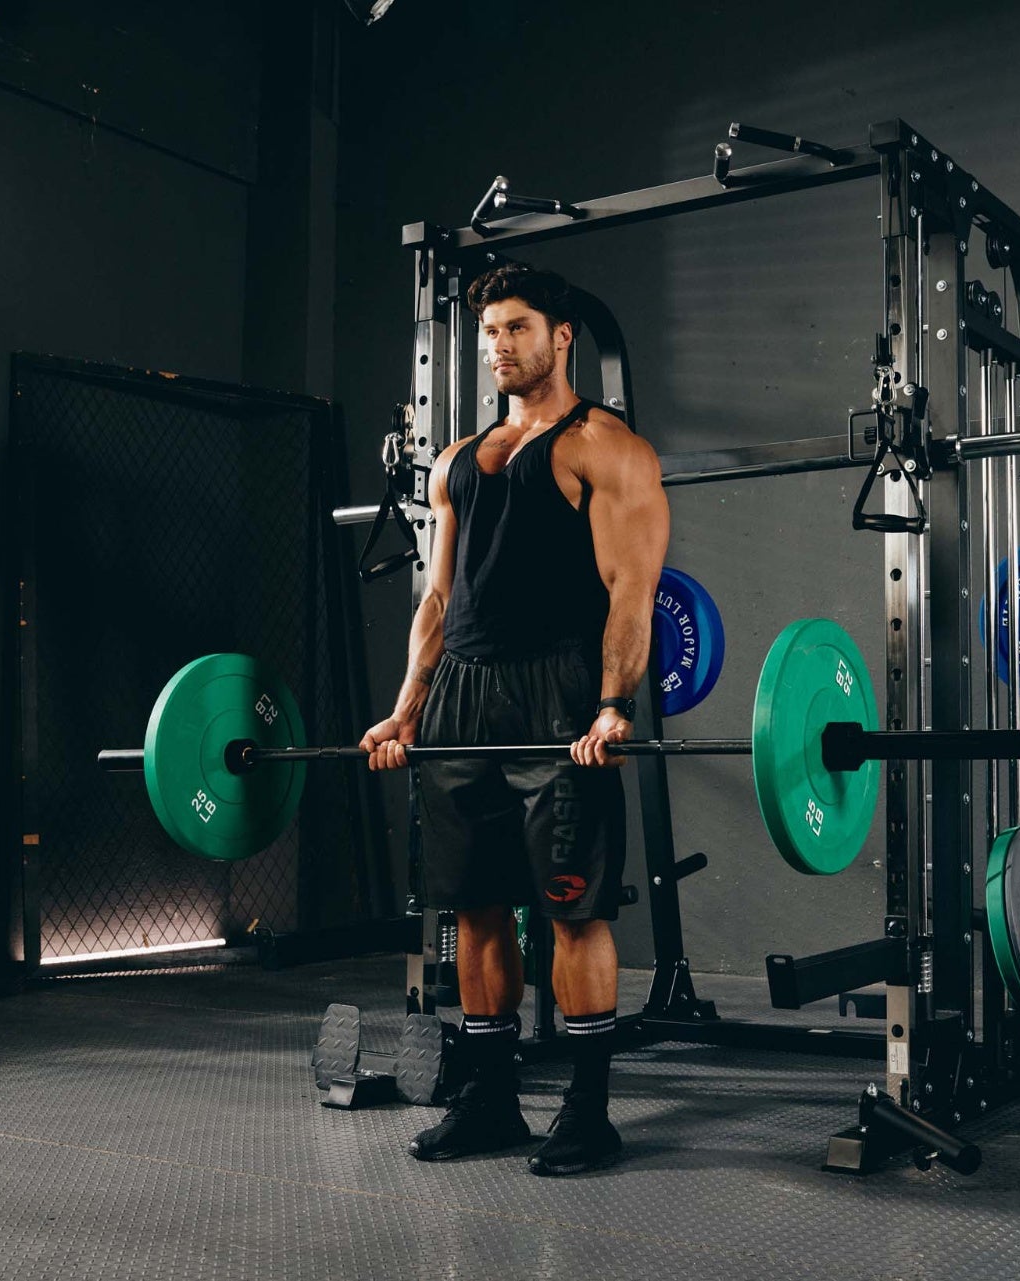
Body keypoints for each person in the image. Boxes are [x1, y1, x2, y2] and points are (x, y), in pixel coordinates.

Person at [360, 264, 668, 1176]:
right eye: (491, 330)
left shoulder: (606, 448)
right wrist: (405, 709)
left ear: (560, 335)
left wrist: (612, 705)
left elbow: (631, 592)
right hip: (462, 696)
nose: (500, 344)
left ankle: (588, 1110)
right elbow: (437, 597)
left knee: (570, 911)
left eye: (518, 327)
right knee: (475, 907)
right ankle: (490, 1098)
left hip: (557, 697)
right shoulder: (459, 459)